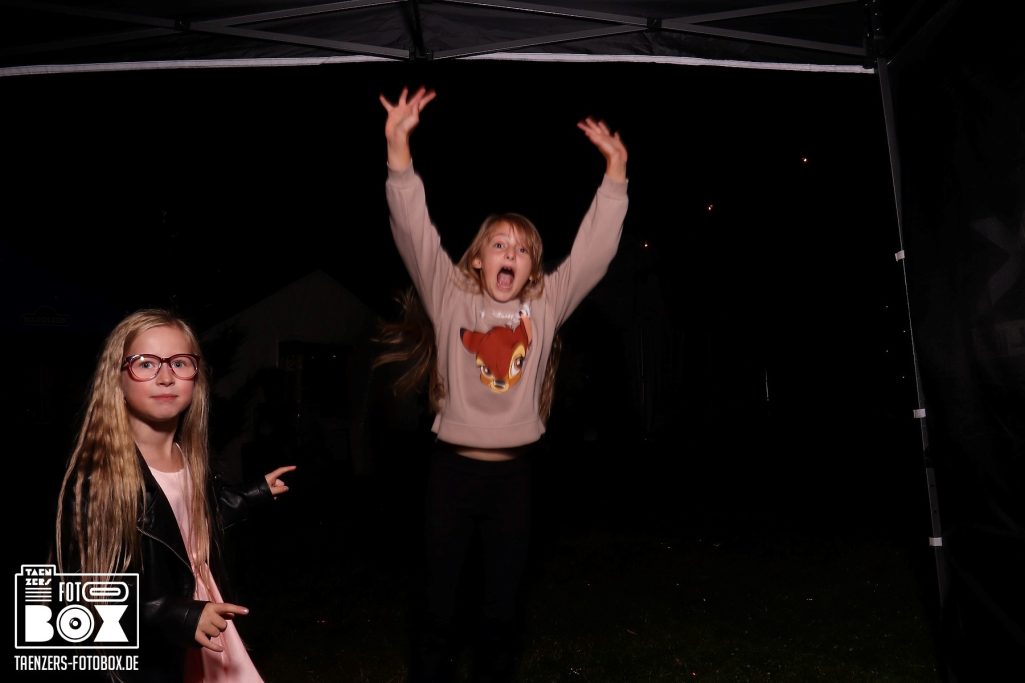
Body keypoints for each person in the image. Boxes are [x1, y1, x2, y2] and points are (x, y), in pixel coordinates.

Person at [377, 86, 629, 682]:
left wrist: (616, 175)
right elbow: (413, 230)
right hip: (451, 476)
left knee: (501, 613)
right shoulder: (449, 295)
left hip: (515, 478)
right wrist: (398, 152)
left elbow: (592, 254)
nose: (510, 253)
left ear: (532, 267)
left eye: (522, 249)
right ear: (477, 260)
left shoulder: (544, 306)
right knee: (439, 607)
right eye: (499, 244)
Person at [54, 308, 296, 682]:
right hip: (153, 641)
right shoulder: (101, 478)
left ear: (196, 378)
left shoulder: (189, 457)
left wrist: (253, 494)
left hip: (201, 608)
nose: (166, 377)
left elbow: (194, 521)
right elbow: (93, 593)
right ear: (116, 379)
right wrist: (177, 614)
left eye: (180, 363)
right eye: (145, 364)